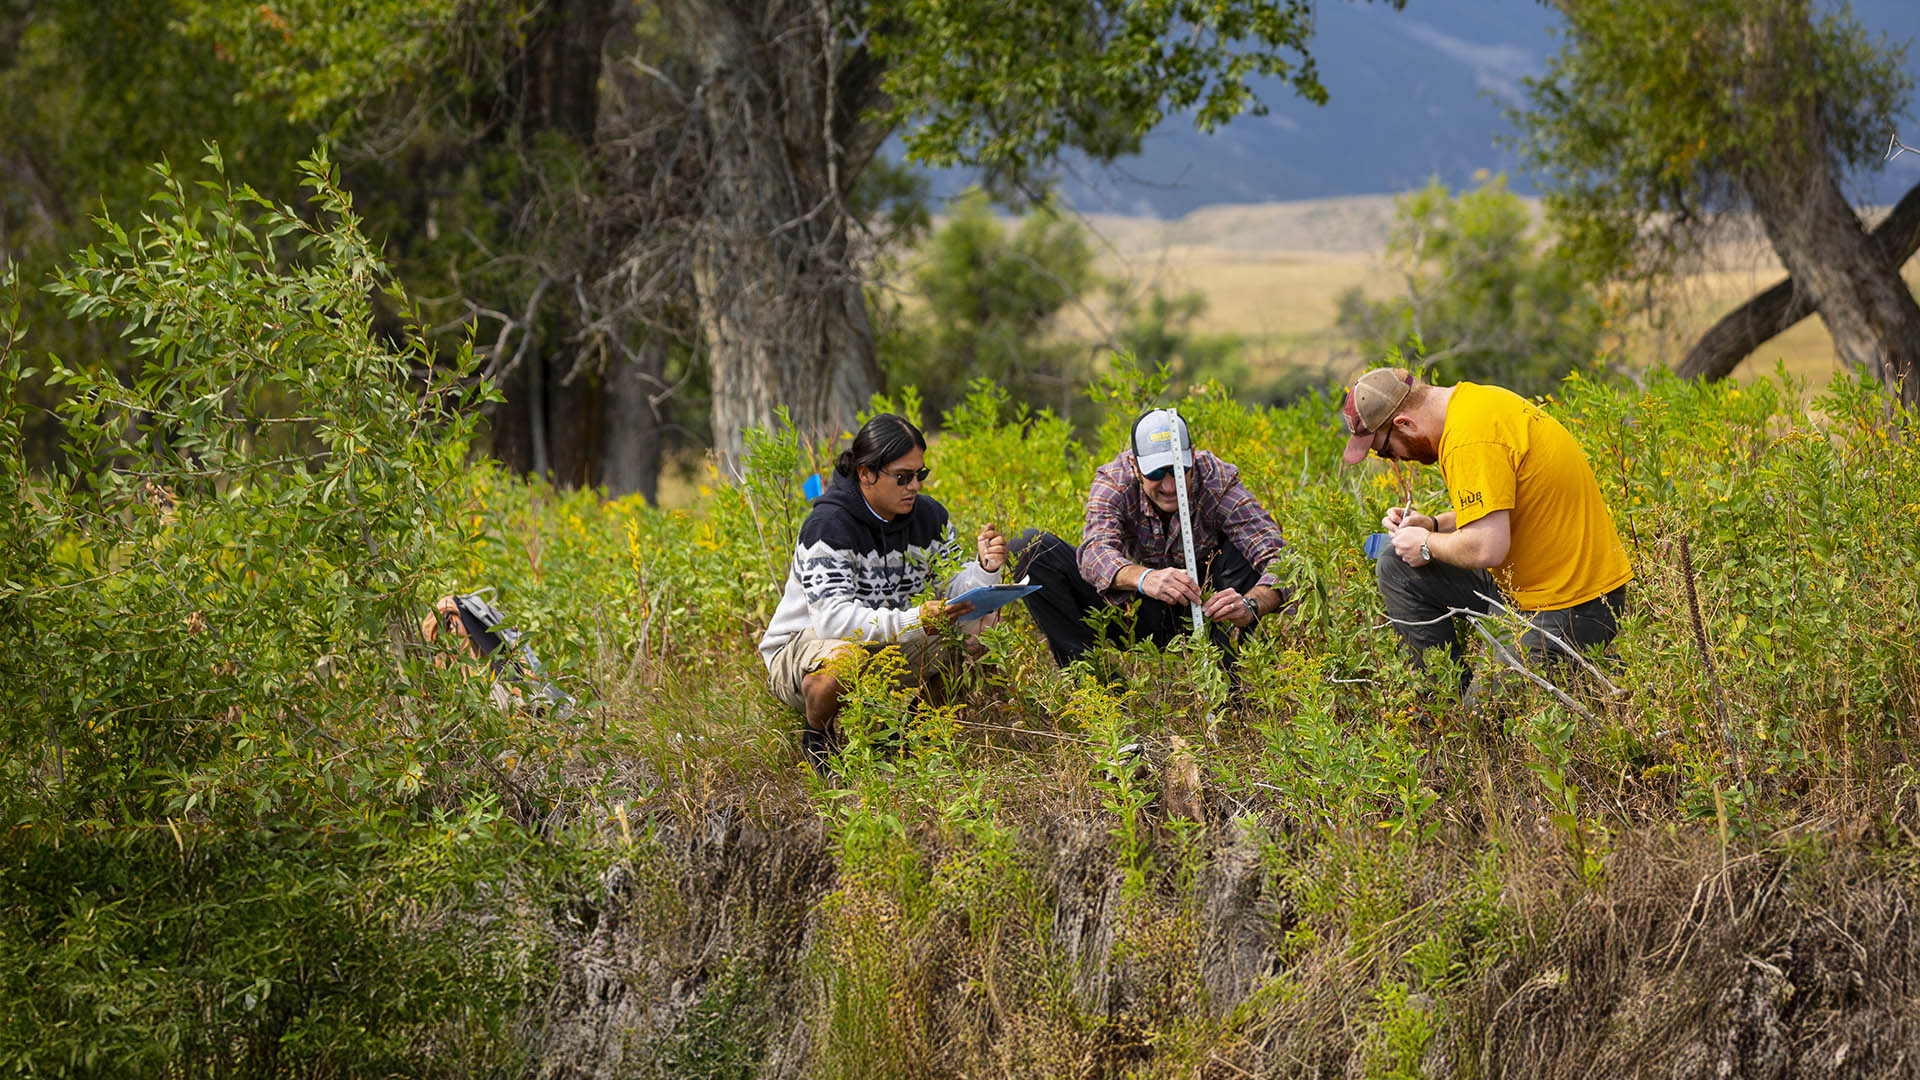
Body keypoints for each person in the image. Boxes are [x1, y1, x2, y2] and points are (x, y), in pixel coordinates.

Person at [1338, 367, 1632, 697]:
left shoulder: (1469, 439)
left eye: (1386, 451)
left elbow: (1486, 548)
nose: (1396, 460)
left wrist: (1425, 544)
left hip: (1571, 602)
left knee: (1483, 723)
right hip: (1528, 585)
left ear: (1404, 424)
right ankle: (1443, 705)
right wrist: (1433, 525)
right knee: (1395, 564)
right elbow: (1503, 503)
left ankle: (1475, 715)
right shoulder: (1472, 404)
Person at [758, 413, 1006, 768]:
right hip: (804, 650)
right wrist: (914, 619)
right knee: (845, 660)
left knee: (981, 629)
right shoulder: (828, 526)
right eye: (902, 477)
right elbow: (831, 621)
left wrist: (984, 570)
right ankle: (819, 739)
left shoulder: (930, 518)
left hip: (884, 642)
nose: (915, 486)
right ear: (866, 473)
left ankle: (907, 738)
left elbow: (952, 586)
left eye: (920, 475)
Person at [1010, 408, 1291, 668]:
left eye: (1180, 469)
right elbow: (1095, 552)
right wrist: (1146, 578)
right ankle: (1096, 691)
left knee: (1240, 552)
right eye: (1156, 473)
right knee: (1030, 549)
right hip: (1139, 608)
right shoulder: (1115, 481)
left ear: (1192, 455)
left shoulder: (1216, 478)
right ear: (1134, 465)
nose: (1170, 486)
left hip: (1207, 607)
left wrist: (1249, 605)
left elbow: (1283, 561)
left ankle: (1228, 687)